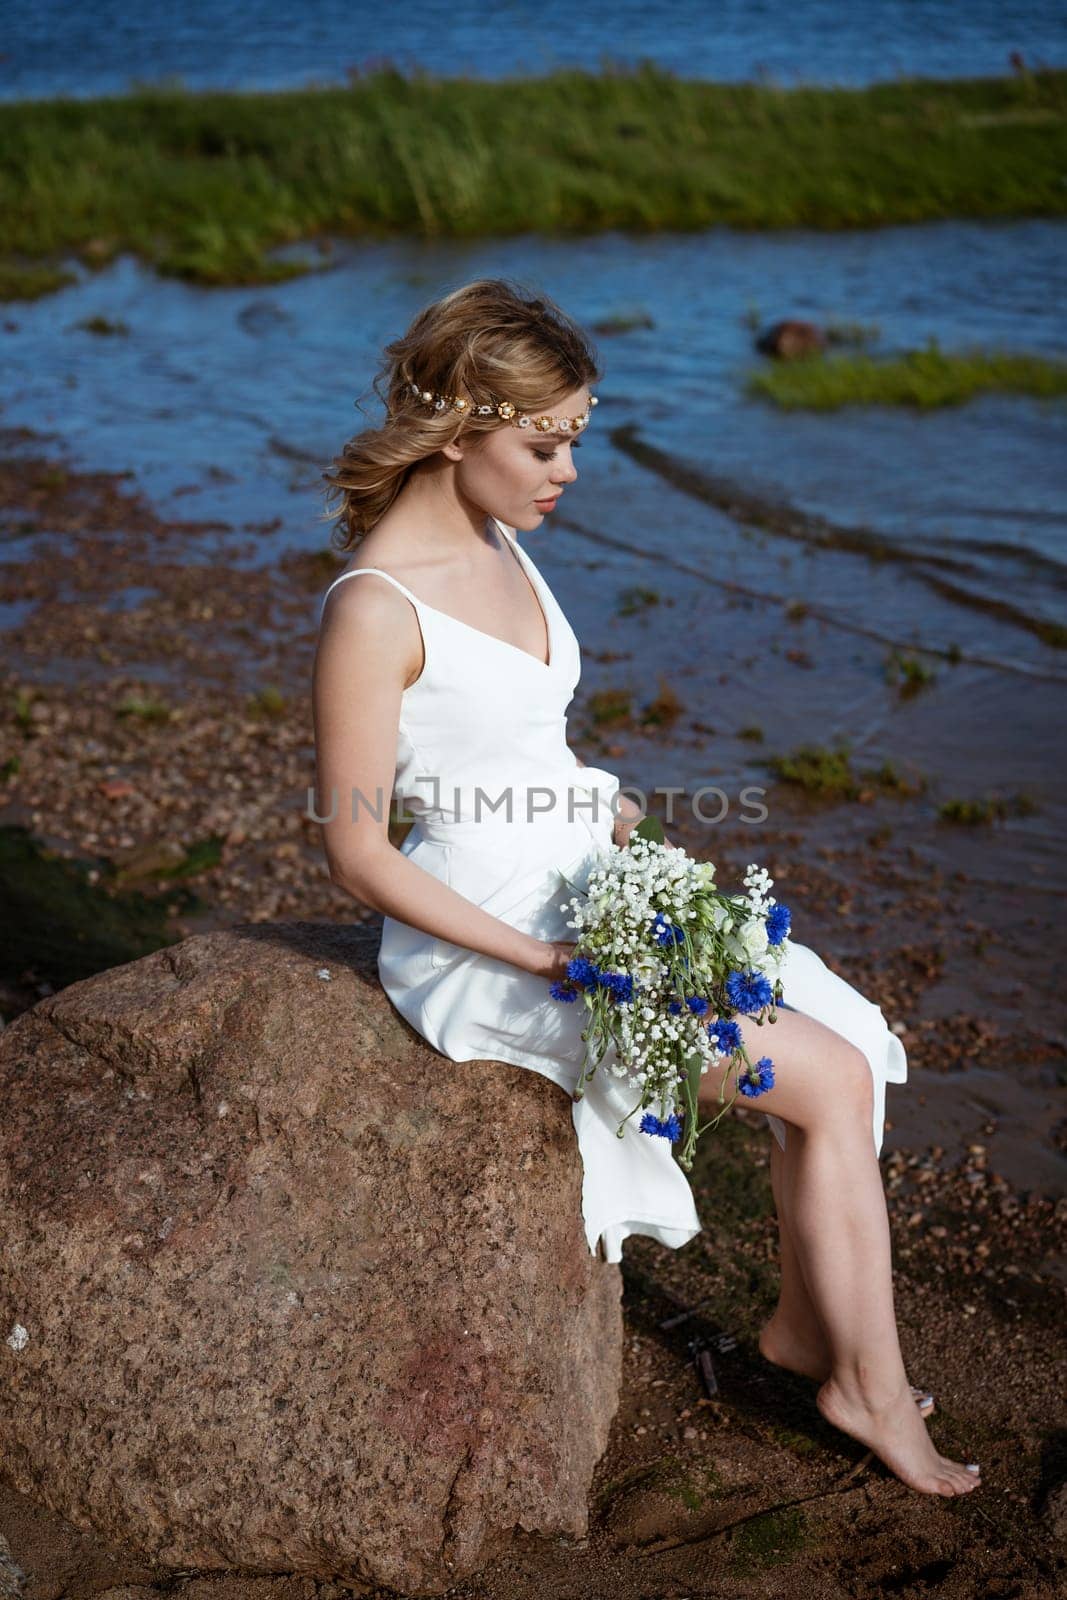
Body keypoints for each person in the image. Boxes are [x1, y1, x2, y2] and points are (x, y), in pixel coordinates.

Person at [311, 277, 981, 1497]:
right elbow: (359, 851)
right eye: (543, 442)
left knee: (844, 1036)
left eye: (576, 437)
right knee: (823, 1082)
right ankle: (865, 1390)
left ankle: (798, 1324)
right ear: (459, 429)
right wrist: (543, 961)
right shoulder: (372, 608)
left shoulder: (499, 536)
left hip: (584, 873)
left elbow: (511, 736)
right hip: (490, 935)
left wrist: (593, 798)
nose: (566, 468)